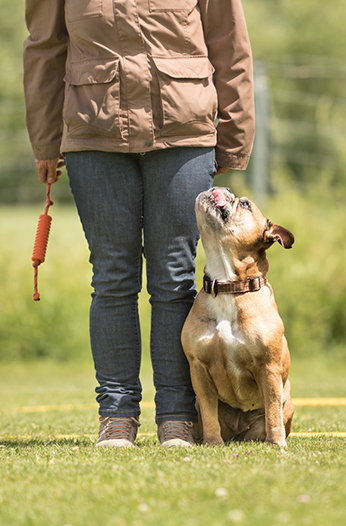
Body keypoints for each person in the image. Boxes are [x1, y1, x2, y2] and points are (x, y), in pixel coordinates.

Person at [23, 0, 254, 447]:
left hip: (184, 131)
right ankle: (116, 415)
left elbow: (230, 44)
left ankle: (177, 418)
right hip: (94, 133)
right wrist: (46, 139)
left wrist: (234, 137)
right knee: (112, 275)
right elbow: (43, 49)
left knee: (173, 275)